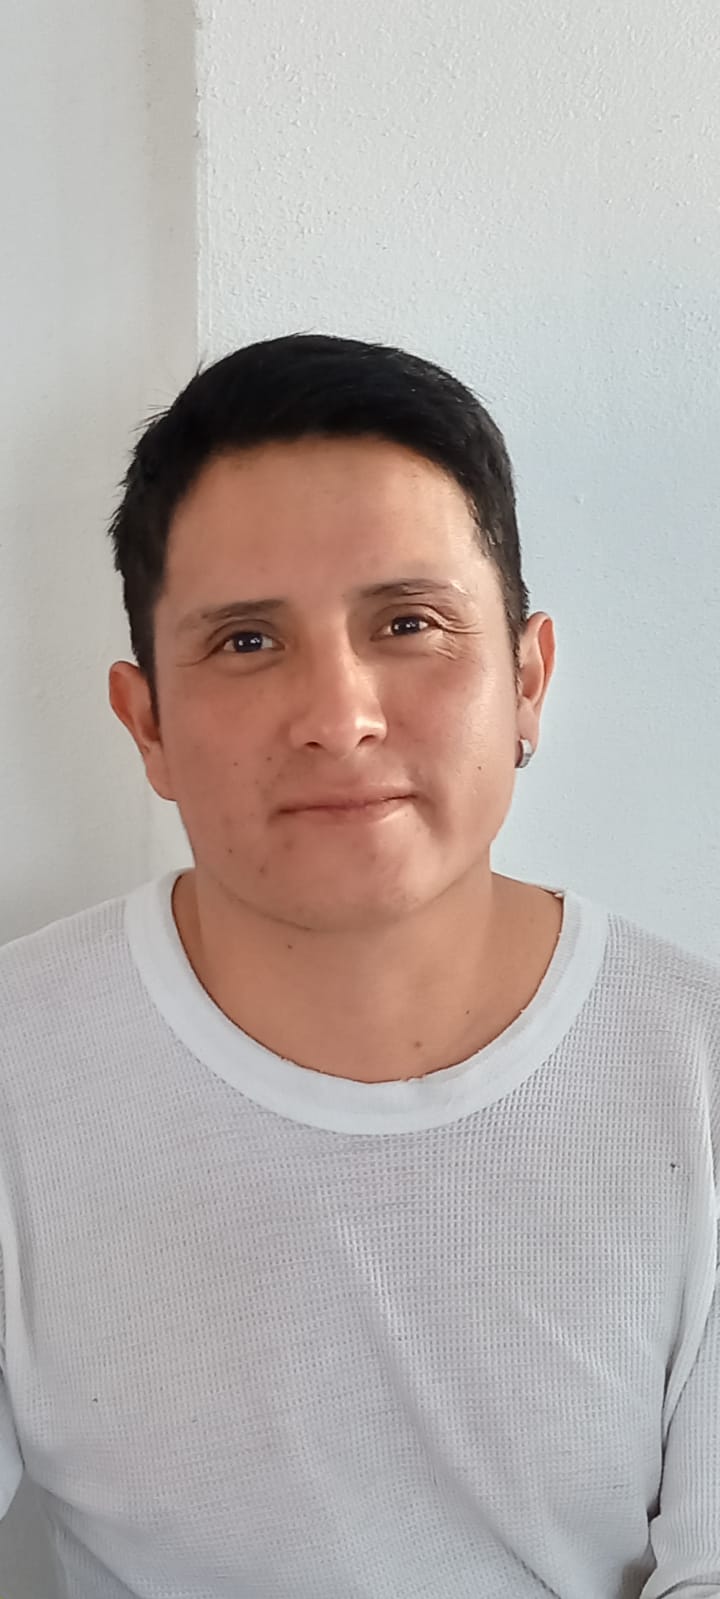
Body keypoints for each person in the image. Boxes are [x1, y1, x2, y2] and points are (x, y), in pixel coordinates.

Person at [0, 333, 718, 1599]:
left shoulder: (696, 1073)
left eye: (409, 623)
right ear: (146, 722)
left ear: (528, 679)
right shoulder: (23, 1066)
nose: (340, 717)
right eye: (246, 642)